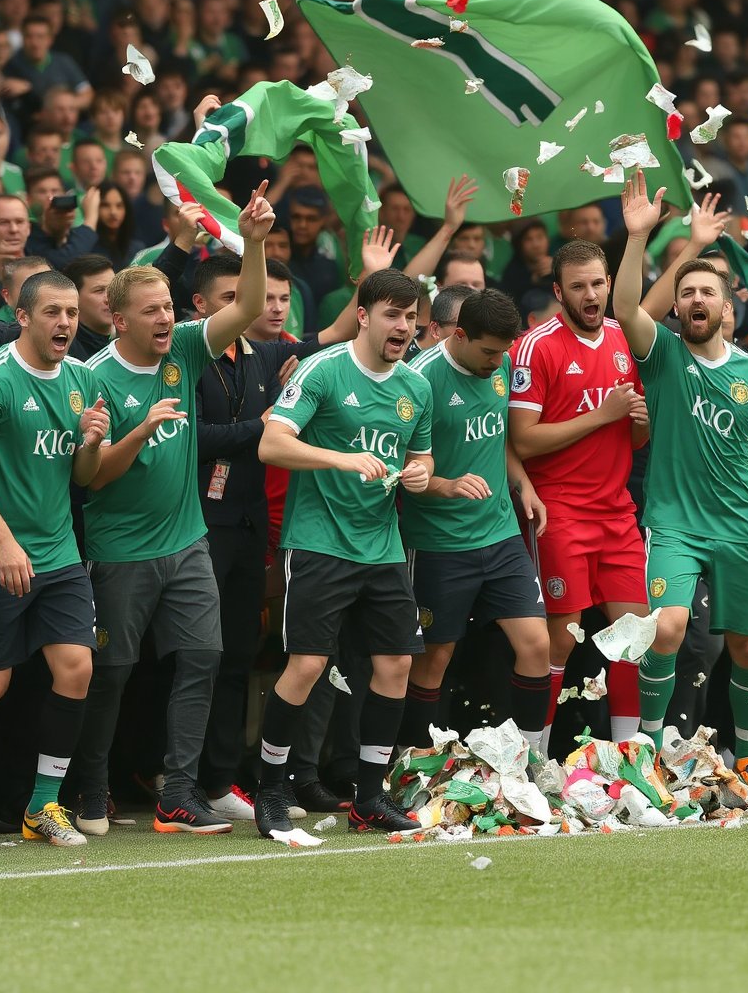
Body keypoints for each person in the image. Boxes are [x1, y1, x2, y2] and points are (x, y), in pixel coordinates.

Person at [69, 185, 275, 837]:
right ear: (118, 318)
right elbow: (92, 478)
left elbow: (245, 305)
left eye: (167, 308)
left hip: (189, 541)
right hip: (119, 548)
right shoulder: (93, 377)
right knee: (114, 674)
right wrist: (136, 431)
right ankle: (90, 787)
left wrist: (256, 242)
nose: (164, 320)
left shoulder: (186, 347)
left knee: (202, 659)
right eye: (150, 311)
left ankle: (178, 794)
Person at [613, 170, 748, 810]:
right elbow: (628, 308)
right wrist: (645, 239)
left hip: (740, 529)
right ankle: (651, 754)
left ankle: (747, 757)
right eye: (686, 291)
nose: (694, 300)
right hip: (673, 523)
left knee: (747, 646)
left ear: (727, 307)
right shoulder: (661, 356)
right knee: (667, 626)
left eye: (706, 294)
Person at [253, 267, 434, 837]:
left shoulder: (416, 387)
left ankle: (370, 797)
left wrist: (421, 474)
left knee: (396, 664)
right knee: (306, 665)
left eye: (411, 318)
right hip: (319, 541)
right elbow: (271, 442)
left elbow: (422, 456)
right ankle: (271, 791)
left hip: (381, 546)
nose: (403, 327)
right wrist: (340, 458)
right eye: (392, 315)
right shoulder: (323, 370)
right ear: (363, 315)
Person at [508, 236, 648, 754]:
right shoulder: (536, 346)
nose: (590, 295)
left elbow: (632, 435)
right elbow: (522, 438)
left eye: (597, 284)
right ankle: (536, 756)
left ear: (610, 283)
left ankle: (630, 757)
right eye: (578, 287)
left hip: (617, 511)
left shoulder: (621, 339)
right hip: (560, 510)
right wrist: (603, 415)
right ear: (558, 292)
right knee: (561, 637)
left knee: (635, 636)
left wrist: (638, 422)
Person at [398, 289, 550, 750]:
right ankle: (411, 761)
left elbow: (499, 435)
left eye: (503, 351)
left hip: (501, 534)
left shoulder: (501, 365)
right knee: (434, 658)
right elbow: (401, 465)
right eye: (488, 351)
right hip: (438, 543)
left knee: (536, 646)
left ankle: (528, 762)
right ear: (458, 334)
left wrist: (523, 483)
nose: (497, 362)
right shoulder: (418, 380)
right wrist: (447, 484)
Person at [0, 269, 110, 843]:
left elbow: (84, 478)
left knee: (77, 668)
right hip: (2, 553)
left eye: (71, 312)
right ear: (22, 316)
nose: (65, 322)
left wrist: (90, 442)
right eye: (52, 313)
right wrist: (2, 541)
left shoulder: (84, 381)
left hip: (60, 554)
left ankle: (42, 806)